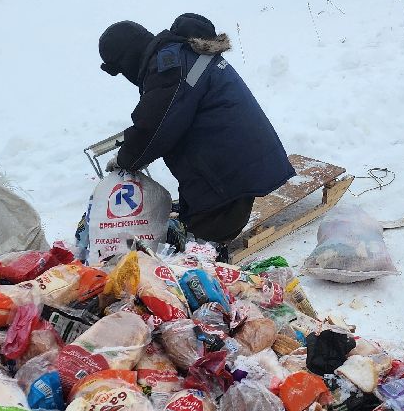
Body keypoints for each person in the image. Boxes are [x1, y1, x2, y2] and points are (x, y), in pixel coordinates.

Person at [98, 13, 294, 254]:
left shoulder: (168, 66)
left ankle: (212, 277)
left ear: (127, 59)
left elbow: (155, 127)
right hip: (238, 164)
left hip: (228, 178)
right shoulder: (180, 56)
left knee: (193, 249)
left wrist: (125, 159)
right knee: (190, 230)